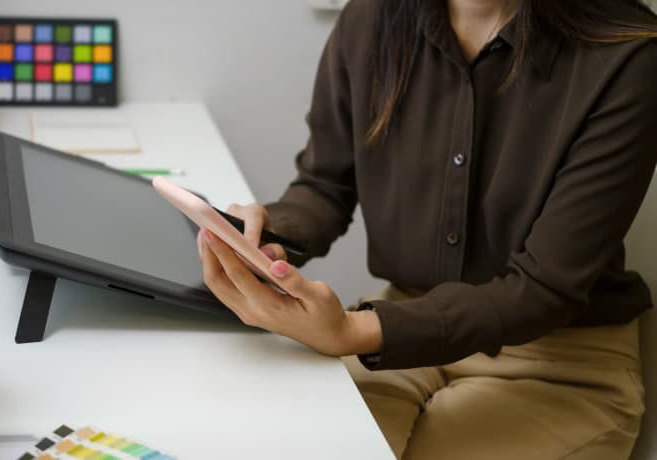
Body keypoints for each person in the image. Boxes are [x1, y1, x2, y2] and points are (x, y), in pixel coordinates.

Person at [196, 0, 657, 458]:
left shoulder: (627, 54)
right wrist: (264, 238)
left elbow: (544, 288)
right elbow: (323, 186)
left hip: (559, 363)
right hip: (404, 331)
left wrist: (353, 332)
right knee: (274, 440)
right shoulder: (372, 18)